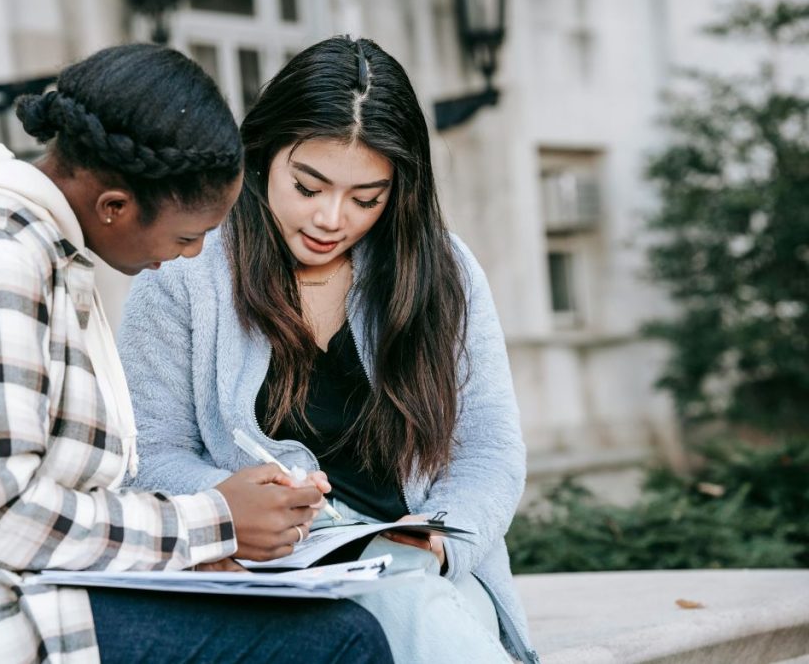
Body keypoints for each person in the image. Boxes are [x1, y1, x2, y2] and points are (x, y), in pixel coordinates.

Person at [0, 44, 393, 664]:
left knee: (314, 621)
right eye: (188, 236)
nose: (191, 256)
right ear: (114, 207)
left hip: (7, 601)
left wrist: (210, 534)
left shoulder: (39, 253)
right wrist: (214, 520)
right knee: (340, 640)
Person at [119, 36, 541, 664]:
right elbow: (148, 454)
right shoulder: (184, 269)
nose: (331, 219)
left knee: (404, 601)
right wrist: (237, 503)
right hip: (268, 578)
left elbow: (490, 449)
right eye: (308, 186)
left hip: (427, 575)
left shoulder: (444, 271)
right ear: (263, 157)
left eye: (366, 198)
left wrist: (439, 544)